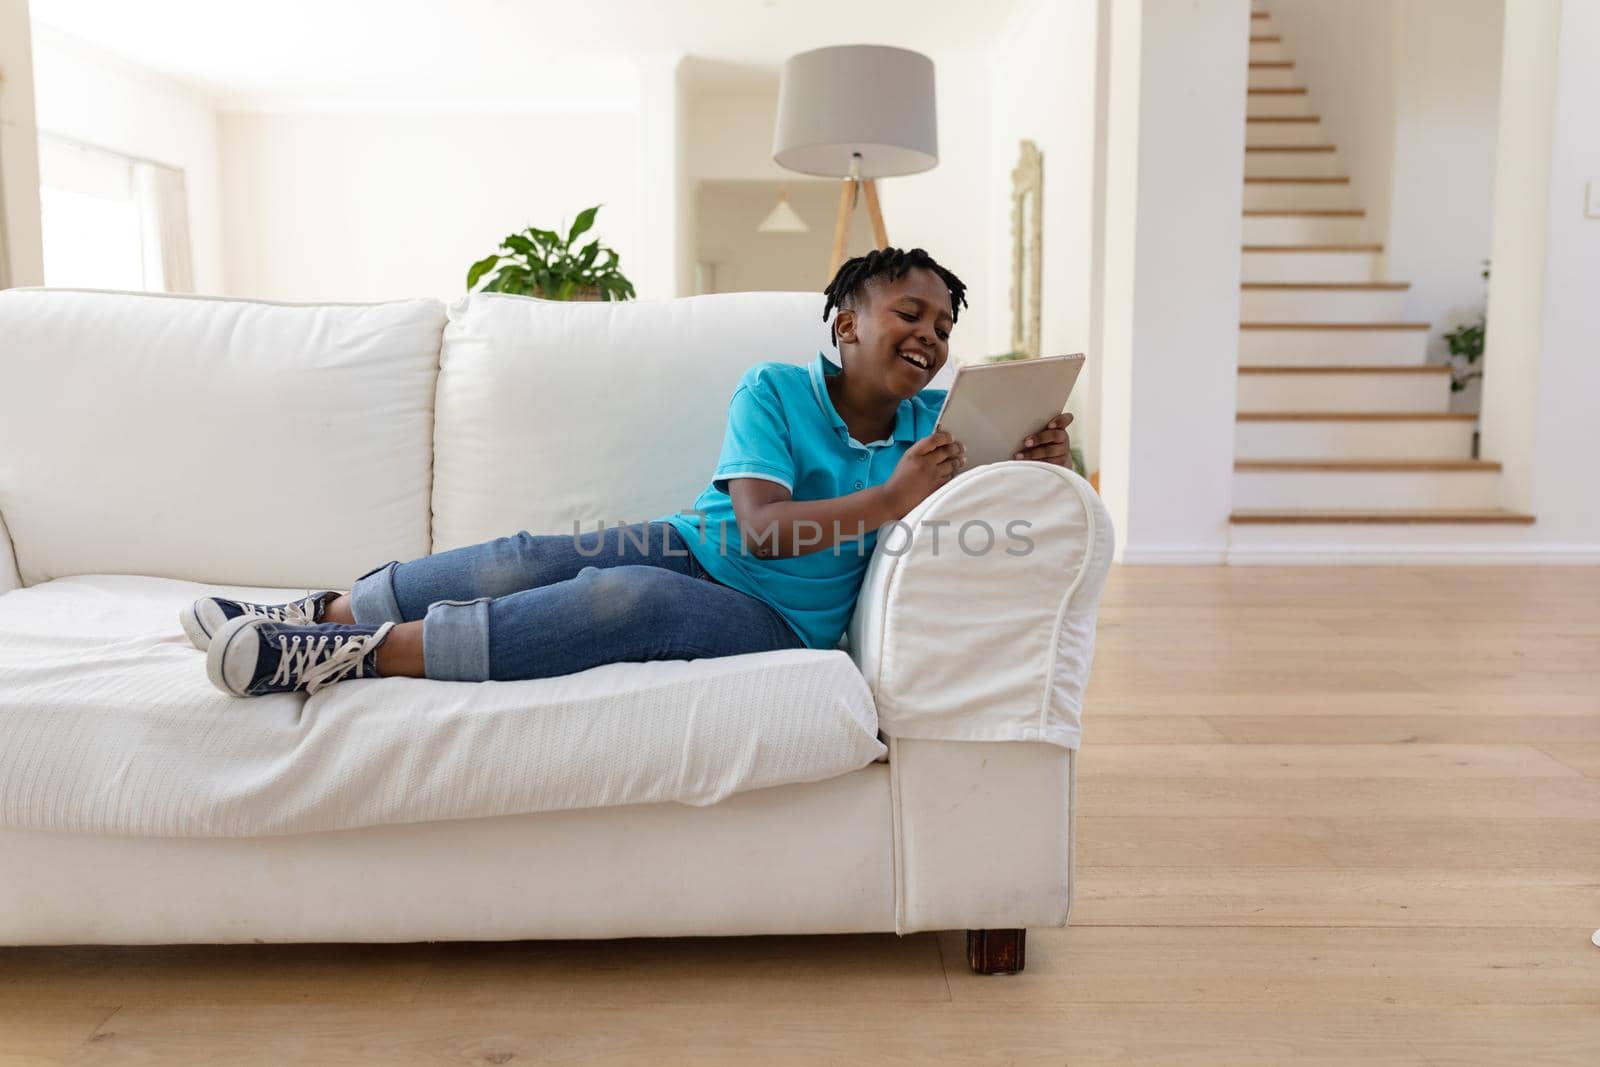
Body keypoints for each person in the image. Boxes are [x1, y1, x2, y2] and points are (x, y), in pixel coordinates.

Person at [187, 247, 1073, 698]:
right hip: (699, 542)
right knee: (529, 554)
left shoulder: (934, 427)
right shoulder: (774, 388)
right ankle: (320, 611)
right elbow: (761, 528)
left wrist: (1036, 460)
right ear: (845, 324)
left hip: (778, 620)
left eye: (944, 327)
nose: (930, 335)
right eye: (909, 313)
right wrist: (888, 497)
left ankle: (352, 657)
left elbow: (977, 502)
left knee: (627, 600)